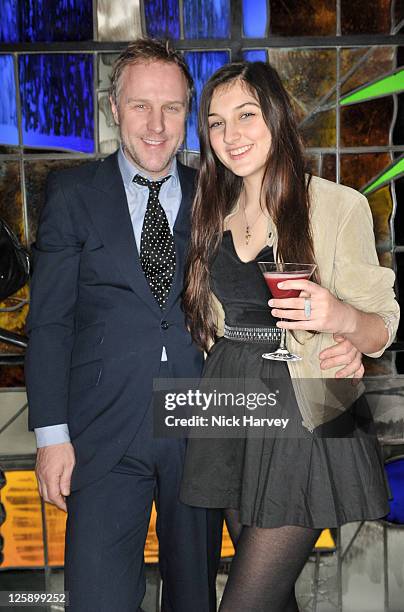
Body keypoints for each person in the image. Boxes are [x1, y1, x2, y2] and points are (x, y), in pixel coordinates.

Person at [179, 61, 400, 612]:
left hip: (305, 406)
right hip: (232, 403)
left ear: (276, 117)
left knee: (246, 601)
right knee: (272, 599)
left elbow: (382, 322)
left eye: (246, 115)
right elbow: (213, 321)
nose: (232, 136)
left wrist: (339, 318)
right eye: (216, 123)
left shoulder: (335, 204)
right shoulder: (212, 210)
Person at [25, 38, 224, 612]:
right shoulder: (72, 194)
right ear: (114, 108)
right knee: (96, 599)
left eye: (172, 107)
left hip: (197, 426)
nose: (157, 125)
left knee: (194, 600)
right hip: (101, 435)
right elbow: (52, 323)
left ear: (188, 111)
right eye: (141, 105)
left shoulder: (214, 193)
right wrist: (51, 438)